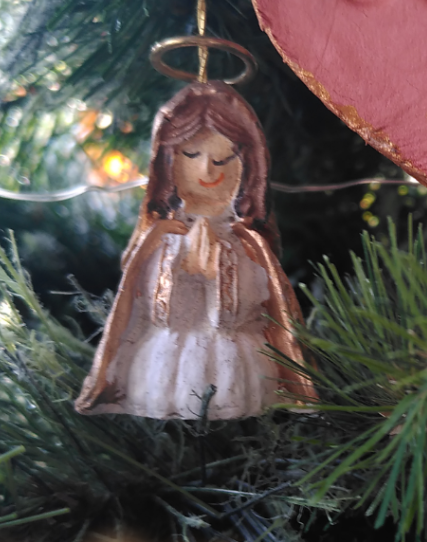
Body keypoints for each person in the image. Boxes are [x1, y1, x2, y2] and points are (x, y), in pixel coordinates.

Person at [75, 81, 317, 420]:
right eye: (191, 155)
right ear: (168, 161)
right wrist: (180, 268)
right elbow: (150, 308)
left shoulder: (246, 242)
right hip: (164, 370)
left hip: (237, 370)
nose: (207, 170)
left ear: (248, 164)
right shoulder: (162, 238)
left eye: (224, 158)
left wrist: (221, 270)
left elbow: (253, 310)